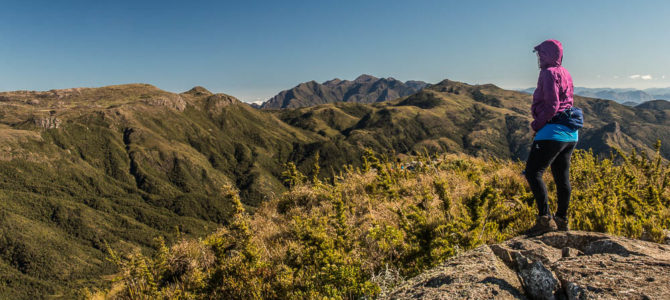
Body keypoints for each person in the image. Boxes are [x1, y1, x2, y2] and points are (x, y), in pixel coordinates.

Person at [524, 39, 578, 236]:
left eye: (542, 53)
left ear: (550, 54)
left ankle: (545, 220)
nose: (539, 57)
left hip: (552, 132)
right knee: (561, 177)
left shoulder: (547, 73)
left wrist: (536, 125)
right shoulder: (566, 73)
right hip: (570, 133)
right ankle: (562, 219)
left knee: (532, 172)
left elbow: (552, 105)